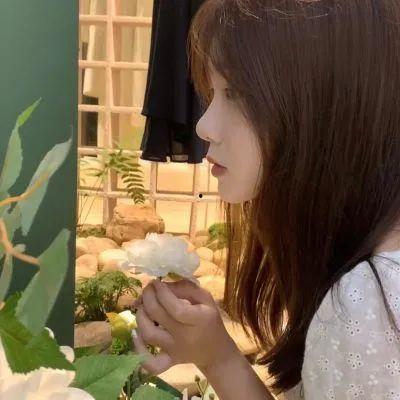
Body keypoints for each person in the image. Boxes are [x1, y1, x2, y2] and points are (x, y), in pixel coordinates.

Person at [132, 1, 400, 398]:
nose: (204, 126)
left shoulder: (369, 304)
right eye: (212, 93)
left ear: (326, 103)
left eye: (235, 93)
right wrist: (217, 356)